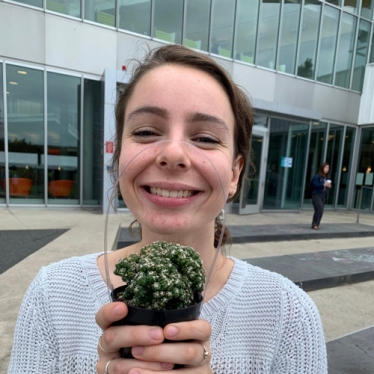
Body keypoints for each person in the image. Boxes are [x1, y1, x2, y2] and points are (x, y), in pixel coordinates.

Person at [8, 44, 327, 374]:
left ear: (234, 174)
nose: (174, 153)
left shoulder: (288, 314)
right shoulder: (53, 294)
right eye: (146, 132)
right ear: (118, 160)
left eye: (204, 138)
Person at [311, 163, 331, 230]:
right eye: (325, 168)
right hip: (316, 194)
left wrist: (328, 186)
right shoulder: (317, 176)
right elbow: (315, 185)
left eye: (328, 168)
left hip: (323, 194)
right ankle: (315, 224)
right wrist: (324, 185)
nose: (327, 169)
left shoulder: (326, 177)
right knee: (319, 209)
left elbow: (326, 187)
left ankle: (315, 224)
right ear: (322, 168)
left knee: (320, 210)